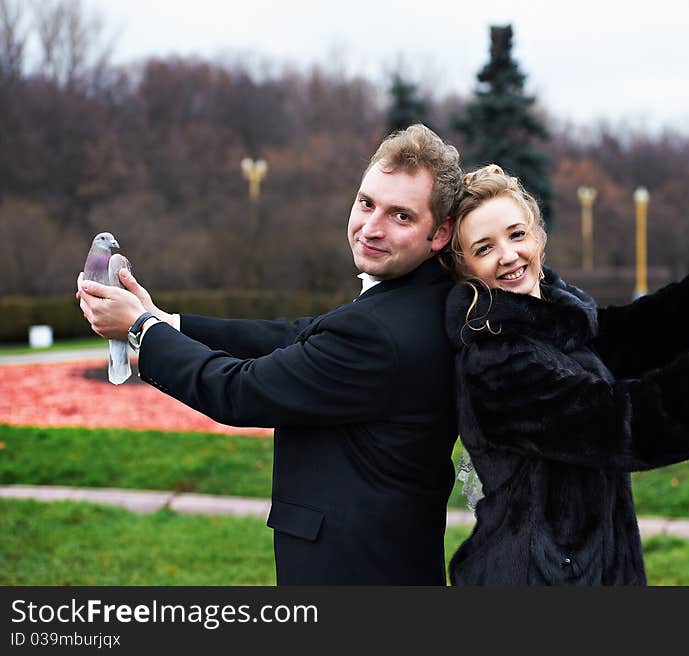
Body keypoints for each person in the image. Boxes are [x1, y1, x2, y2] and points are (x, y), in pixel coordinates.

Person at [77, 124, 463, 585]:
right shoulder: (419, 299)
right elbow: (298, 337)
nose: (371, 228)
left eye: (401, 216)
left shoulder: (381, 332)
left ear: (439, 233)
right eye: (366, 203)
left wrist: (141, 329)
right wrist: (165, 319)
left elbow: (238, 391)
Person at [441, 164, 689, 586]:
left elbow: (638, 332)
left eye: (516, 234)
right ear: (465, 268)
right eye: (484, 248)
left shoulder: (555, 322)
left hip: (587, 569)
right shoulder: (495, 361)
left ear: (538, 236)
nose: (508, 255)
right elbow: (616, 422)